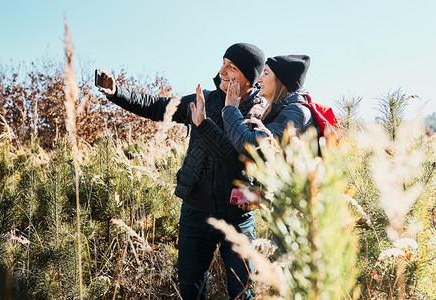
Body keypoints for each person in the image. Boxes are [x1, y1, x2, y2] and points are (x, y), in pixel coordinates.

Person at [96, 43, 265, 299]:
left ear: (249, 78)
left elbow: (256, 161)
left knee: (242, 292)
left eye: (231, 67)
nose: (222, 71)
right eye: (223, 63)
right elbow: (157, 106)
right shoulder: (203, 100)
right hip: (195, 213)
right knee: (190, 291)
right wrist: (116, 92)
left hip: (238, 216)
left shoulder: (259, 114)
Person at [191, 55, 315, 210]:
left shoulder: (296, 112)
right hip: (286, 212)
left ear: (281, 82)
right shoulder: (275, 112)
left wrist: (230, 109)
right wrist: (257, 193)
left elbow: (252, 147)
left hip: (302, 216)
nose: (259, 80)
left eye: (266, 74)